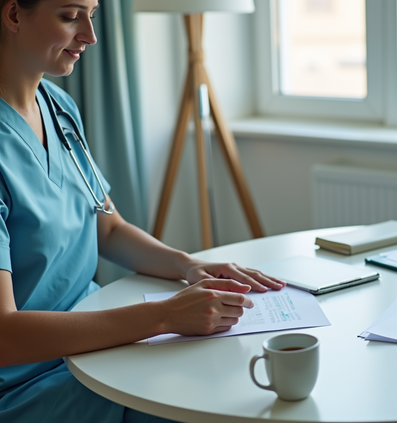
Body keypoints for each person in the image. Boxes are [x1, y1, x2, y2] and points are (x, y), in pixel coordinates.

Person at [0, 1, 286, 422]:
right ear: (13, 15)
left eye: (92, 15)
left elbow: (107, 227)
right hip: (28, 379)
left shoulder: (58, 107)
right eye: (69, 16)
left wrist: (189, 266)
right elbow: (4, 336)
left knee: (229, 372)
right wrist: (164, 315)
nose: (90, 36)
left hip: (98, 340)